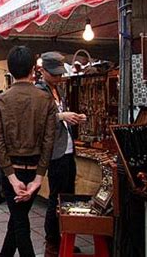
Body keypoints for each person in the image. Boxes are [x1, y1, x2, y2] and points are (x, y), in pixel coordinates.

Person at [0, 45, 57, 257]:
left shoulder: (0, 100)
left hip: (11, 170)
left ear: (10, 71)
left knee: (19, 223)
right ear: (32, 69)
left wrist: (11, 178)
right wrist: (38, 179)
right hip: (33, 172)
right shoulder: (46, 99)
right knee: (19, 221)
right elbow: (49, 141)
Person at [36, 52, 86, 256]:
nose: (58, 77)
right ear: (42, 71)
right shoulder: (39, 91)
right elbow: (38, 118)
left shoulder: (57, 89)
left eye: (59, 74)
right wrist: (60, 116)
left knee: (68, 198)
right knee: (56, 198)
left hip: (67, 149)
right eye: (54, 74)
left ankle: (66, 238)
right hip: (55, 153)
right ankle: (52, 242)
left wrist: (73, 118)